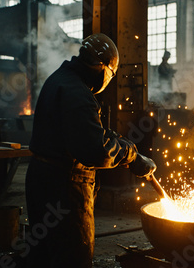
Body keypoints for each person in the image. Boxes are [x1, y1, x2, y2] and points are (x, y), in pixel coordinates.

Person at [25, 33, 156, 268]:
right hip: (64, 187)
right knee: (74, 255)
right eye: (110, 75)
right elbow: (95, 150)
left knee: (44, 252)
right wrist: (131, 155)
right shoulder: (78, 93)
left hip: (41, 179)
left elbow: (79, 131)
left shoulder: (59, 79)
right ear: (102, 67)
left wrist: (117, 141)